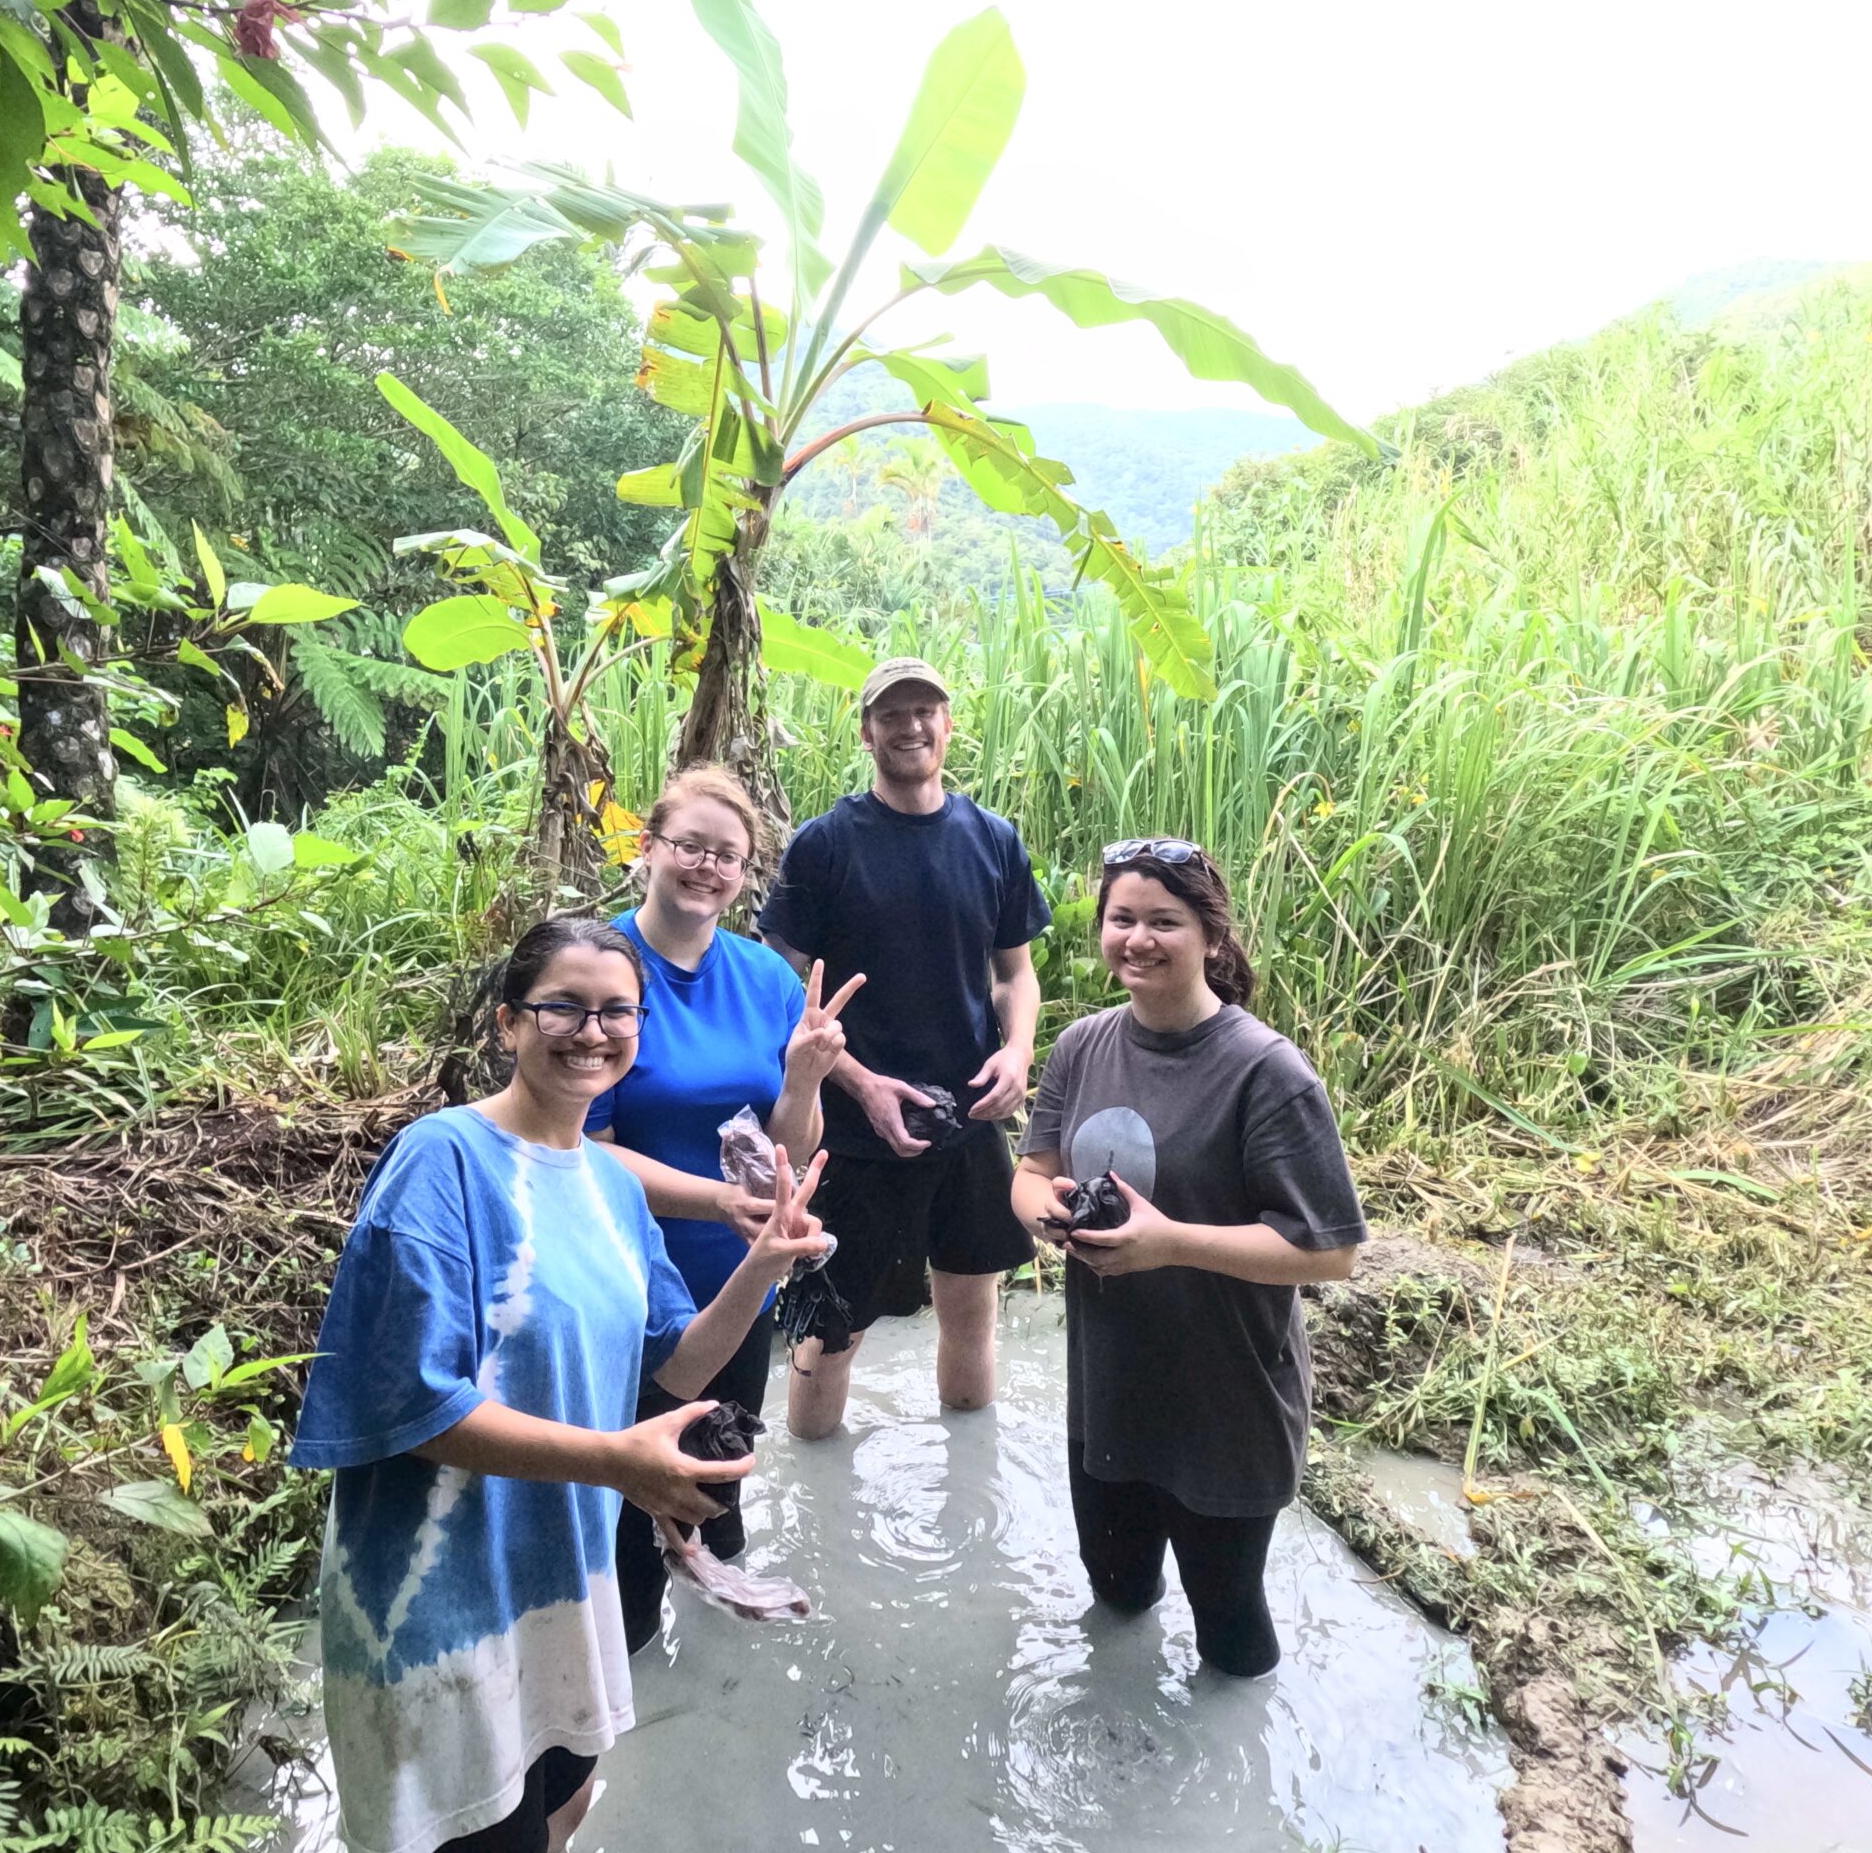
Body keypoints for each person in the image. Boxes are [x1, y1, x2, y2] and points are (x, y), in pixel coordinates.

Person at [289, 917, 830, 1853]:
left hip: (561, 1589)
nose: (592, 1030)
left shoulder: (612, 1186)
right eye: (563, 1006)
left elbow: (675, 1365)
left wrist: (762, 1270)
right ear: (507, 1022)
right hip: (439, 1614)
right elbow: (410, 1403)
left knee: (560, 1820)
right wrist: (616, 1464)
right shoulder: (439, 1160)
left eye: (616, 1010)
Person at [1010, 839, 1366, 1679]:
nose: (1138, 939)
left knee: (1231, 1636)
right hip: (1109, 1390)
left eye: (1164, 921)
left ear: (1211, 936)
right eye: (1121, 919)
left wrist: (1168, 1242)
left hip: (1227, 1402)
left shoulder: (1266, 1073)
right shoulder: (1084, 1047)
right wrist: (1048, 1218)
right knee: (1120, 1597)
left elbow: (1331, 1251)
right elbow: (1032, 1174)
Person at [582, 765, 863, 1650]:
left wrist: (806, 1076)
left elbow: (791, 1139)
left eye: (728, 856)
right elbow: (581, 1144)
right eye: (690, 846)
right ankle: (625, 1683)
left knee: (716, 1475)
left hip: (740, 1281)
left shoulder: (766, 980)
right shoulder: (603, 972)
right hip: (624, 1280)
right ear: (648, 850)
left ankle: (711, 1640)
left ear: (746, 873)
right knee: (627, 1507)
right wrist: (716, 1200)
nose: (707, 867)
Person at [759, 657, 1049, 1435]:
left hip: (968, 1121)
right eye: (892, 714)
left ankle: (969, 1506)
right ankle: (817, 1522)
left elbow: (1016, 974)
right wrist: (859, 1082)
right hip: (852, 1138)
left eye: (926, 710)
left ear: (949, 725)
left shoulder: (992, 839)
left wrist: (1018, 1051)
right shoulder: (824, 845)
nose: (910, 726)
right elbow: (785, 996)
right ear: (867, 733)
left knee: (971, 1315)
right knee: (829, 1328)